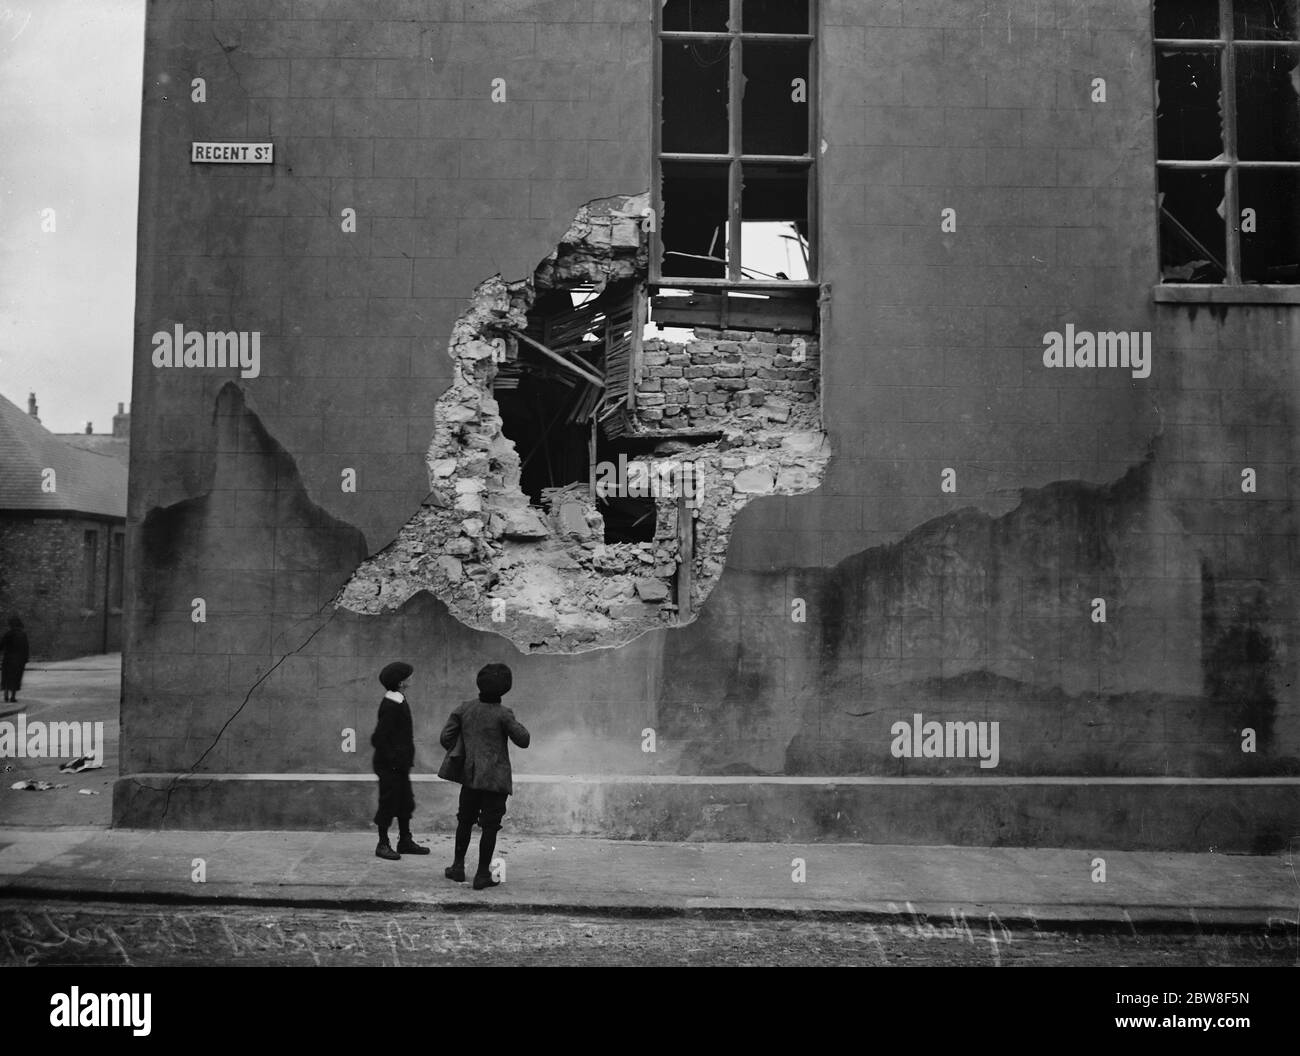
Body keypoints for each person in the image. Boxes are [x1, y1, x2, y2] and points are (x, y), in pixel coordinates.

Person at [439, 663, 530, 890]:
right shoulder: (504, 714)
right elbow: (524, 740)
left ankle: (458, 867)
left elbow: (445, 737)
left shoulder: (464, 708)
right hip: (495, 780)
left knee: (464, 821)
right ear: (505, 688)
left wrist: (464, 749)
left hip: (470, 778)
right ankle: (481, 874)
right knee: (490, 827)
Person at [370, 661, 429, 860]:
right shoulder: (391, 704)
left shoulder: (398, 699)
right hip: (390, 766)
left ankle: (404, 840)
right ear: (401, 682)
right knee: (388, 803)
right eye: (408, 676)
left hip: (399, 765)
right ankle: (383, 843)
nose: (412, 678)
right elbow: (379, 738)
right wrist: (394, 761)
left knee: (405, 802)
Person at [1, 617, 29, 704]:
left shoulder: (8, 634)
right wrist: (25, 659)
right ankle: (13, 696)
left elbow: (1, 646)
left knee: (7, 678)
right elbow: (26, 648)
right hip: (19, 660)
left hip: (8, 659)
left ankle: (6, 695)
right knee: (16, 679)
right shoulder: (23, 635)